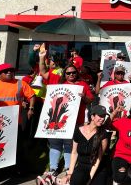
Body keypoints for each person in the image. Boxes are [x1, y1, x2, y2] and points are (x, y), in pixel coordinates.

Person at [39, 49, 94, 177]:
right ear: (65, 74)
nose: (71, 75)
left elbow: (90, 99)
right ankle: (53, 168)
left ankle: (68, 169)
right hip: (55, 120)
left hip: (74, 121)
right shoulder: (58, 83)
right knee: (55, 144)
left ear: (77, 73)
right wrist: (42, 57)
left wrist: (84, 97)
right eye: (68, 73)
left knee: (69, 145)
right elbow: (43, 72)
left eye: (74, 72)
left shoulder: (82, 84)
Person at [61, 105, 109, 185]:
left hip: (97, 167)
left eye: (104, 116)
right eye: (100, 116)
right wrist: (70, 173)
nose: (103, 119)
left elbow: (98, 159)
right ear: (92, 116)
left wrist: (90, 179)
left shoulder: (103, 135)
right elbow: (74, 152)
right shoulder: (78, 130)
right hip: (81, 166)